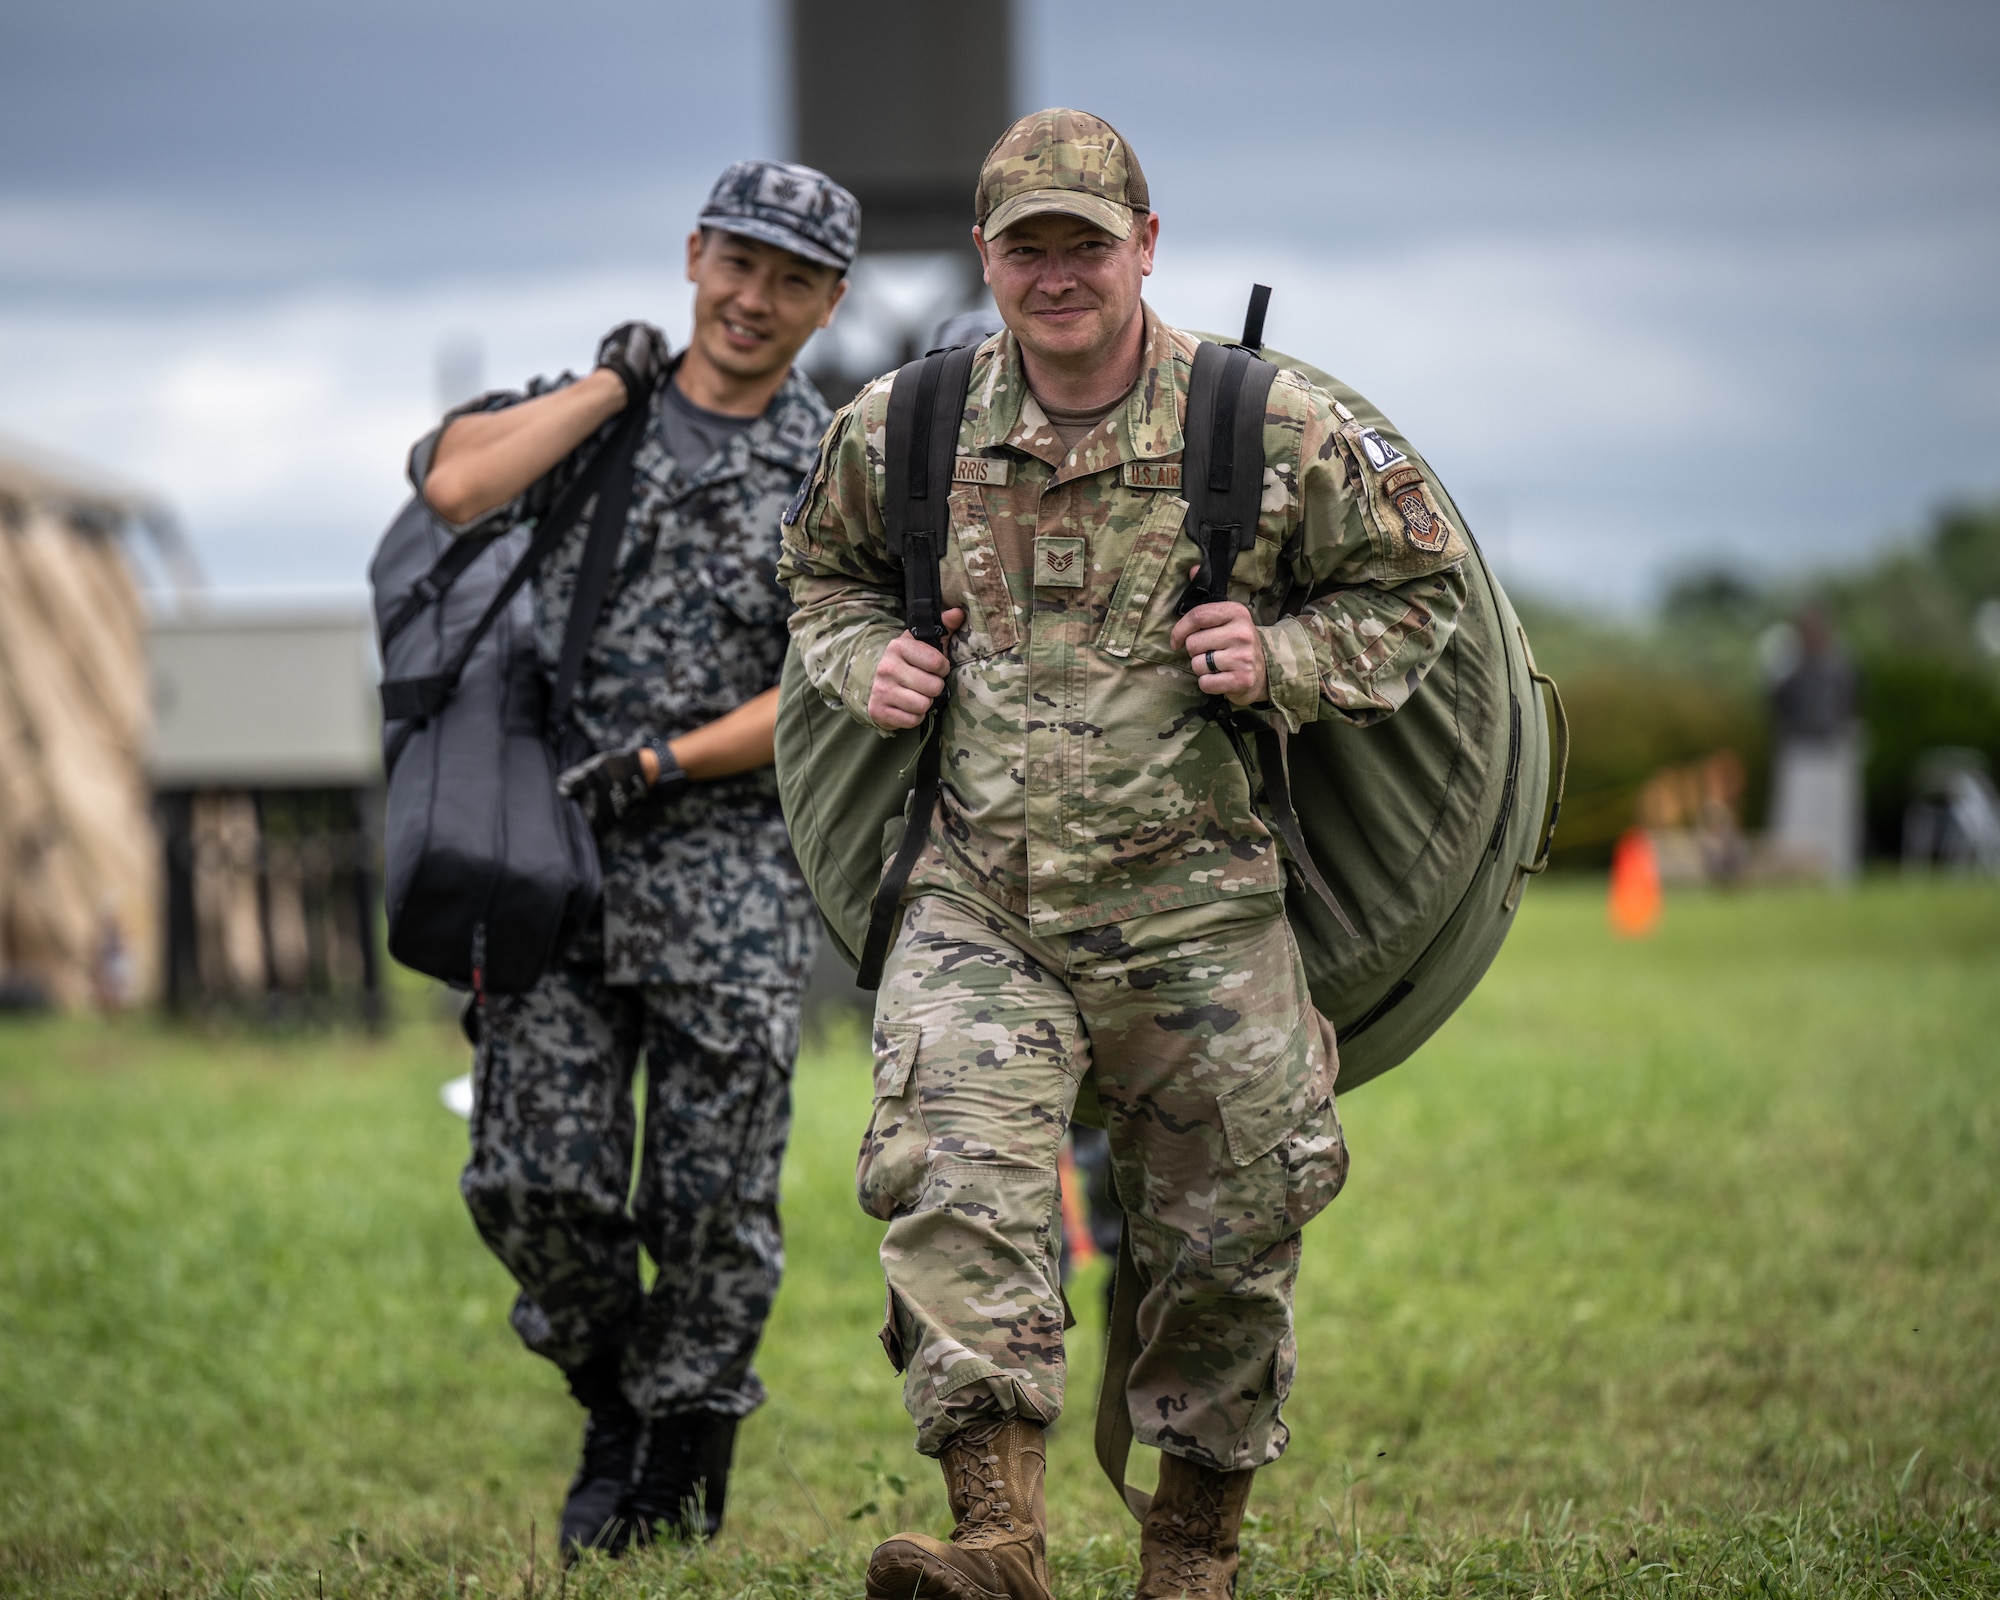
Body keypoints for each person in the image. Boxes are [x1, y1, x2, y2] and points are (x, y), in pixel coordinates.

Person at [779, 109, 1470, 1600]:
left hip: (1202, 909)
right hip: (981, 900)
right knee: (955, 1186)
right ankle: (996, 1543)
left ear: (1144, 248)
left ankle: (1191, 1558)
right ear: (987, 257)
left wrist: (1280, 654)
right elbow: (821, 585)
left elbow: (1422, 601)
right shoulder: (900, 429)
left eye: (1084, 244)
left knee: (1230, 1244)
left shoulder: (1264, 424)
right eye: (1026, 247)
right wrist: (862, 664)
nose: (1055, 275)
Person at [407, 159, 858, 1560]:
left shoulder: (841, 462)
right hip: (554, 860)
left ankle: (680, 1451)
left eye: (791, 279)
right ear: (693, 256)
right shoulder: (590, 416)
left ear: (831, 302)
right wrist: (611, 390)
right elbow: (454, 485)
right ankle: (615, 1391)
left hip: (730, 862)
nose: (754, 298)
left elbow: (837, 675)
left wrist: (668, 761)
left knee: (713, 1196)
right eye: (738, 262)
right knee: (528, 1179)